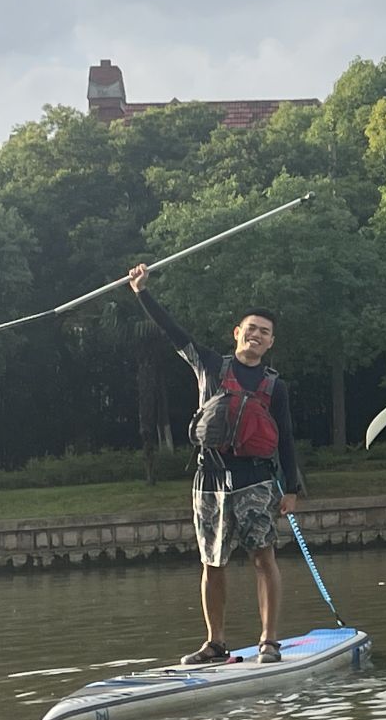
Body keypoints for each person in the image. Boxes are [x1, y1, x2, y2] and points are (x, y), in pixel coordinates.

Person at [128, 264, 306, 664]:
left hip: (257, 482)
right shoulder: (208, 364)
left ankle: (268, 641)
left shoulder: (276, 386)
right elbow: (172, 331)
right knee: (212, 562)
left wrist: (291, 489)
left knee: (264, 559)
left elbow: (288, 438)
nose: (256, 335)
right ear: (237, 333)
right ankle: (216, 643)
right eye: (251, 328)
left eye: (264, 331)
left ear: (270, 342)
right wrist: (142, 292)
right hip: (208, 483)